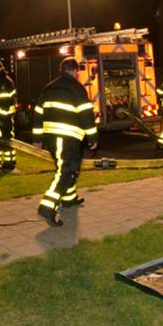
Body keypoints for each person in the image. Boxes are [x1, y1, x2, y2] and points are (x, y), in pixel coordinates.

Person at [33, 57, 98, 227]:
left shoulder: (49, 87)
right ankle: (47, 207)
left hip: (51, 137)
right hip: (67, 137)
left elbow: (38, 113)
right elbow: (86, 114)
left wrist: (37, 139)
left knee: (69, 168)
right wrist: (93, 138)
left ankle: (69, 199)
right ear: (76, 71)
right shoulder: (77, 88)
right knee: (66, 170)